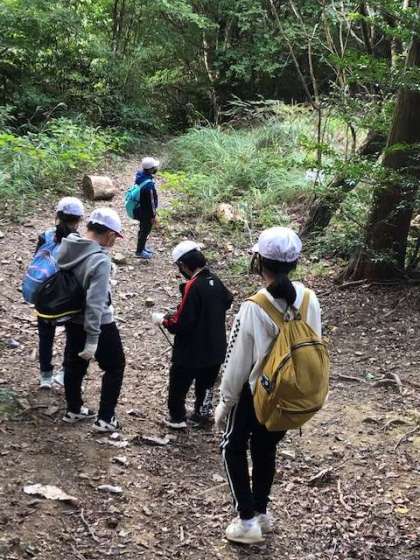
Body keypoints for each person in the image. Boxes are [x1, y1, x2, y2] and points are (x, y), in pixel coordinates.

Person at [214, 227, 322, 544]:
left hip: (255, 394)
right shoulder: (310, 299)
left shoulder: (254, 306)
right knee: (265, 448)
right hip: (291, 393)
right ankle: (261, 512)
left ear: (259, 261)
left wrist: (225, 401)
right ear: (294, 262)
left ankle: (246, 521)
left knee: (232, 447)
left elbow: (237, 360)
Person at [57, 208, 125, 433]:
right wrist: (93, 338)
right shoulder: (100, 260)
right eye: (115, 237)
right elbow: (96, 302)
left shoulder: (69, 246)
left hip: (71, 317)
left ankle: (74, 409)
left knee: (74, 364)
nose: (114, 242)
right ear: (109, 234)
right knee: (115, 366)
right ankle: (106, 418)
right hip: (99, 323)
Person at [152, 241, 233, 429]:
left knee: (179, 382)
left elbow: (181, 322)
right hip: (215, 347)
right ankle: (202, 415)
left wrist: (163, 320)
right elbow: (228, 300)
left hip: (191, 350)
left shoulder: (192, 285)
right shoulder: (214, 279)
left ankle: (177, 417)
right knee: (206, 384)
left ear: (183, 265)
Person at [35, 197, 85, 389]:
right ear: (79, 220)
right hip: (67, 298)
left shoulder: (45, 236)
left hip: (45, 295)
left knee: (45, 336)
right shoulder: (79, 241)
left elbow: (39, 262)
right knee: (72, 336)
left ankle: (45, 376)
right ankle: (64, 373)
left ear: (57, 215)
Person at [134, 156, 159, 259]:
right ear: (151, 169)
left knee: (142, 230)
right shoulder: (149, 186)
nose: (156, 168)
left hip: (140, 208)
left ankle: (142, 247)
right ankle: (139, 251)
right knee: (145, 231)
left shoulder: (140, 175)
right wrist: (153, 216)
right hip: (146, 213)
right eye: (154, 167)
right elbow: (152, 203)